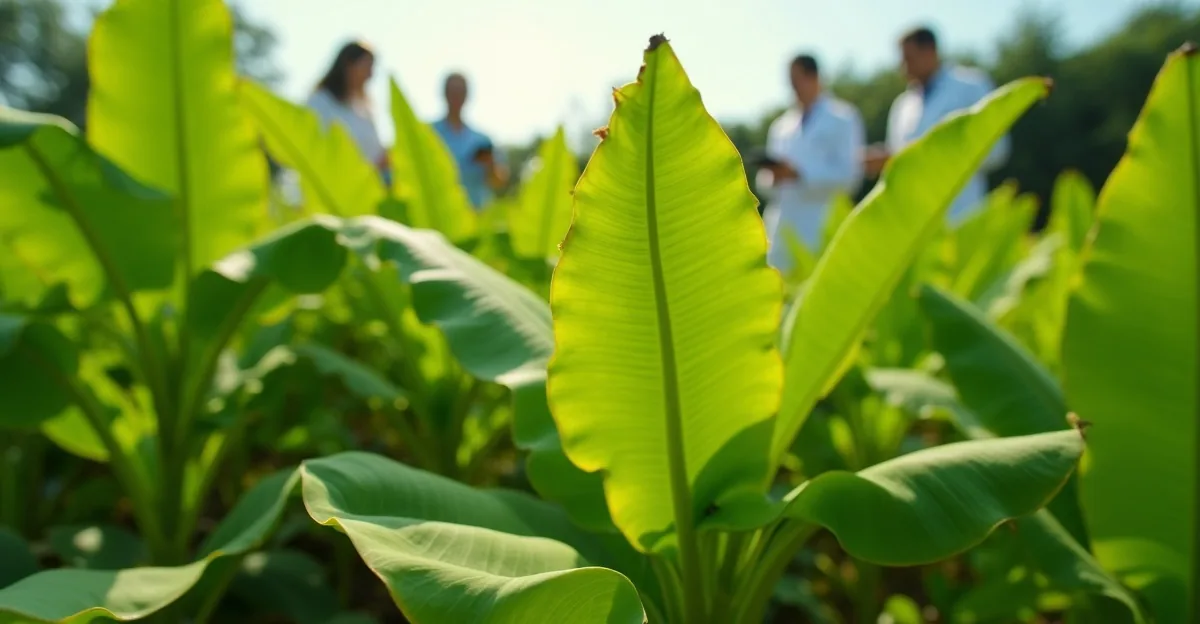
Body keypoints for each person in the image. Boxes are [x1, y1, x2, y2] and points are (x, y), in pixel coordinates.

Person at [865, 26, 1009, 223]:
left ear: (930, 51)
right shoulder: (902, 105)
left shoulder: (970, 86)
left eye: (909, 59)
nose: (903, 67)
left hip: (960, 210)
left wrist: (928, 156)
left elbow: (996, 149)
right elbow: (899, 157)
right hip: (913, 218)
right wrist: (886, 160)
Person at [757, 54, 865, 270]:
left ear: (814, 77)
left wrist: (800, 174)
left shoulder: (843, 117)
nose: (794, 88)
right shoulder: (781, 126)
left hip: (821, 226)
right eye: (791, 82)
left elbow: (850, 177)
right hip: (782, 230)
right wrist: (775, 177)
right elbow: (764, 184)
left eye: (798, 80)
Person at [307, 41, 390, 183]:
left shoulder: (366, 110)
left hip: (369, 189)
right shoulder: (320, 102)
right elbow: (314, 149)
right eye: (367, 66)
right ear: (348, 65)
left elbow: (378, 153)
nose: (370, 75)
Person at [433, 72, 508, 209]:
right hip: (438, 212)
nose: (456, 97)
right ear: (444, 94)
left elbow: (498, 182)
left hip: (475, 212)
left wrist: (490, 165)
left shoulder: (482, 140)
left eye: (460, 92)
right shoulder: (430, 134)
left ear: (467, 96)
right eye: (452, 91)